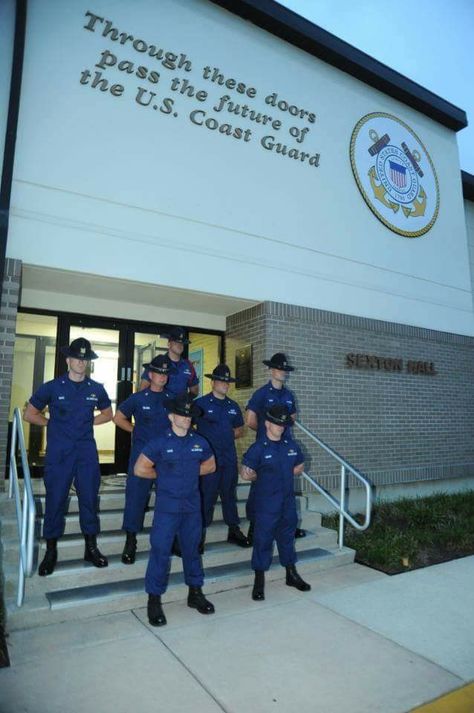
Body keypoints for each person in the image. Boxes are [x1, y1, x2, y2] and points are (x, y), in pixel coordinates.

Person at [23, 337, 113, 576]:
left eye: (85, 359)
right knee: (55, 500)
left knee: (89, 499)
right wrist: (51, 424)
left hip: (86, 453)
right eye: (77, 358)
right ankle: (50, 552)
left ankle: (90, 548)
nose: (81, 362)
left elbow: (108, 413)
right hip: (59, 454)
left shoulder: (96, 388)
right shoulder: (52, 387)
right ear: (68, 359)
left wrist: (87, 422)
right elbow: (30, 414)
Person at [134, 392, 216, 627]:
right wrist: (163, 476)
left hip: (192, 507)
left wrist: (189, 474)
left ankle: (195, 593)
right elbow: (140, 469)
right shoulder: (159, 442)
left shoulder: (199, 442)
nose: (187, 418)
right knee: (160, 551)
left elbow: (210, 466)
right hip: (167, 508)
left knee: (192, 550)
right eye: (182, 414)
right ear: (171, 416)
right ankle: (154, 599)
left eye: (190, 415)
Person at [241, 404, 311, 601]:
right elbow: (245, 473)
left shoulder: (291, 445)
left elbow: (299, 466)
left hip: (287, 502)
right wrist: (257, 476)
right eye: (277, 423)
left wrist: (283, 473)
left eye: (283, 424)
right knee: (262, 541)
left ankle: (291, 574)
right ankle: (259, 580)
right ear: (267, 423)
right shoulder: (259, 448)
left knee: (287, 539)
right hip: (266, 504)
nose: (281, 427)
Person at [114, 354, 171, 564]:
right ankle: (130, 540)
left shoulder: (172, 398)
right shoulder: (138, 398)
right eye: (159, 373)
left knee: (168, 498)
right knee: (136, 498)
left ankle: (170, 538)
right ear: (151, 374)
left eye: (166, 373)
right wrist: (135, 430)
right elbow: (118, 417)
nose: (162, 377)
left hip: (166, 457)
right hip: (142, 456)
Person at [245, 352, 305, 539]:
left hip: (284, 448)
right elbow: (250, 420)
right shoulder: (261, 393)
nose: (282, 372)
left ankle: (288, 525)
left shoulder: (288, 395)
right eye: (279, 368)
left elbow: (292, 419)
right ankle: (254, 525)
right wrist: (266, 433)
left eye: (284, 369)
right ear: (271, 370)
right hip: (265, 448)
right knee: (258, 488)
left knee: (286, 487)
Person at [194, 364, 250, 550]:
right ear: (212, 382)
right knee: (206, 496)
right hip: (209, 460)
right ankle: (198, 534)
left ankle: (233, 530)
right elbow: (188, 426)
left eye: (228, 381)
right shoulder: (200, 404)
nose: (226, 384)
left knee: (229, 495)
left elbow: (240, 430)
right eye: (222, 381)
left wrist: (225, 434)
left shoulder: (233, 406)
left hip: (228, 458)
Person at [139, 326, 199, 397]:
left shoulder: (188, 365)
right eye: (176, 342)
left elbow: (195, 390)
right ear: (169, 344)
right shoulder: (157, 363)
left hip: (179, 407)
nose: (179, 345)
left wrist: (186, 401)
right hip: (160, 406)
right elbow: (144, 387)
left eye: (182, 343)